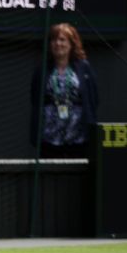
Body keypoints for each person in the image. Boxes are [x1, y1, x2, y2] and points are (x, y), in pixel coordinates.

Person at [31, 23, 99, 159]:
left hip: (78, 137)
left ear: (71, 44)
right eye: (54, 40)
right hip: (49, 137)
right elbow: (35, 97)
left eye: (62, 40)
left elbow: (94, 97)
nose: (58, 44)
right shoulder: (43, 69)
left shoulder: (83, 68)